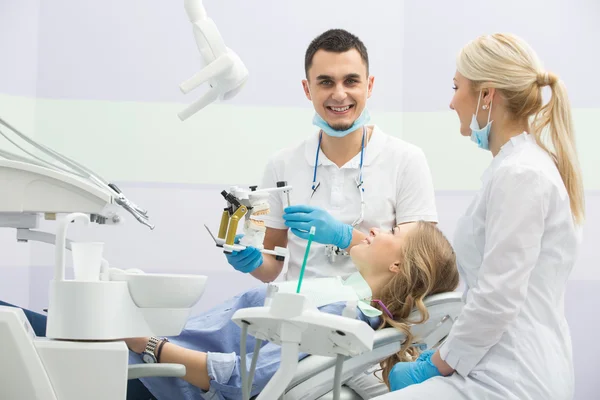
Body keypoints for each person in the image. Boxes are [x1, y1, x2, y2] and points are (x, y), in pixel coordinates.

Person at [0, 221, 458, 400]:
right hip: (147, 361)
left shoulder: (344, 319)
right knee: (19, 324)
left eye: (393, 230)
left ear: (398, 263)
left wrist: (144, 341)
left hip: (156, 380)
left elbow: (242, 377)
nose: (376, 228)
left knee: (13, 325)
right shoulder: (342, 297)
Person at [379, 33, 585, 400]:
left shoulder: (521, 174)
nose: (451, 101)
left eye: (457, 87)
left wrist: (436, 363)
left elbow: (497, 298)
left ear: (487, 95)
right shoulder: (518, 167)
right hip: (497, 367)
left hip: (511, 378)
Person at [224, 28, 438, 283]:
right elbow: (272, 266)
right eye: (326, 82)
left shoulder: (407, 160)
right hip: (297, 313)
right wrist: (253, 260)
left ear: (369, 85)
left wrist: (345, 237)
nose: (339, 94)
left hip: (375, 316)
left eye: (351, 81)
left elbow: (420, 263)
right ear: (307, 89)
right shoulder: (281, 165)